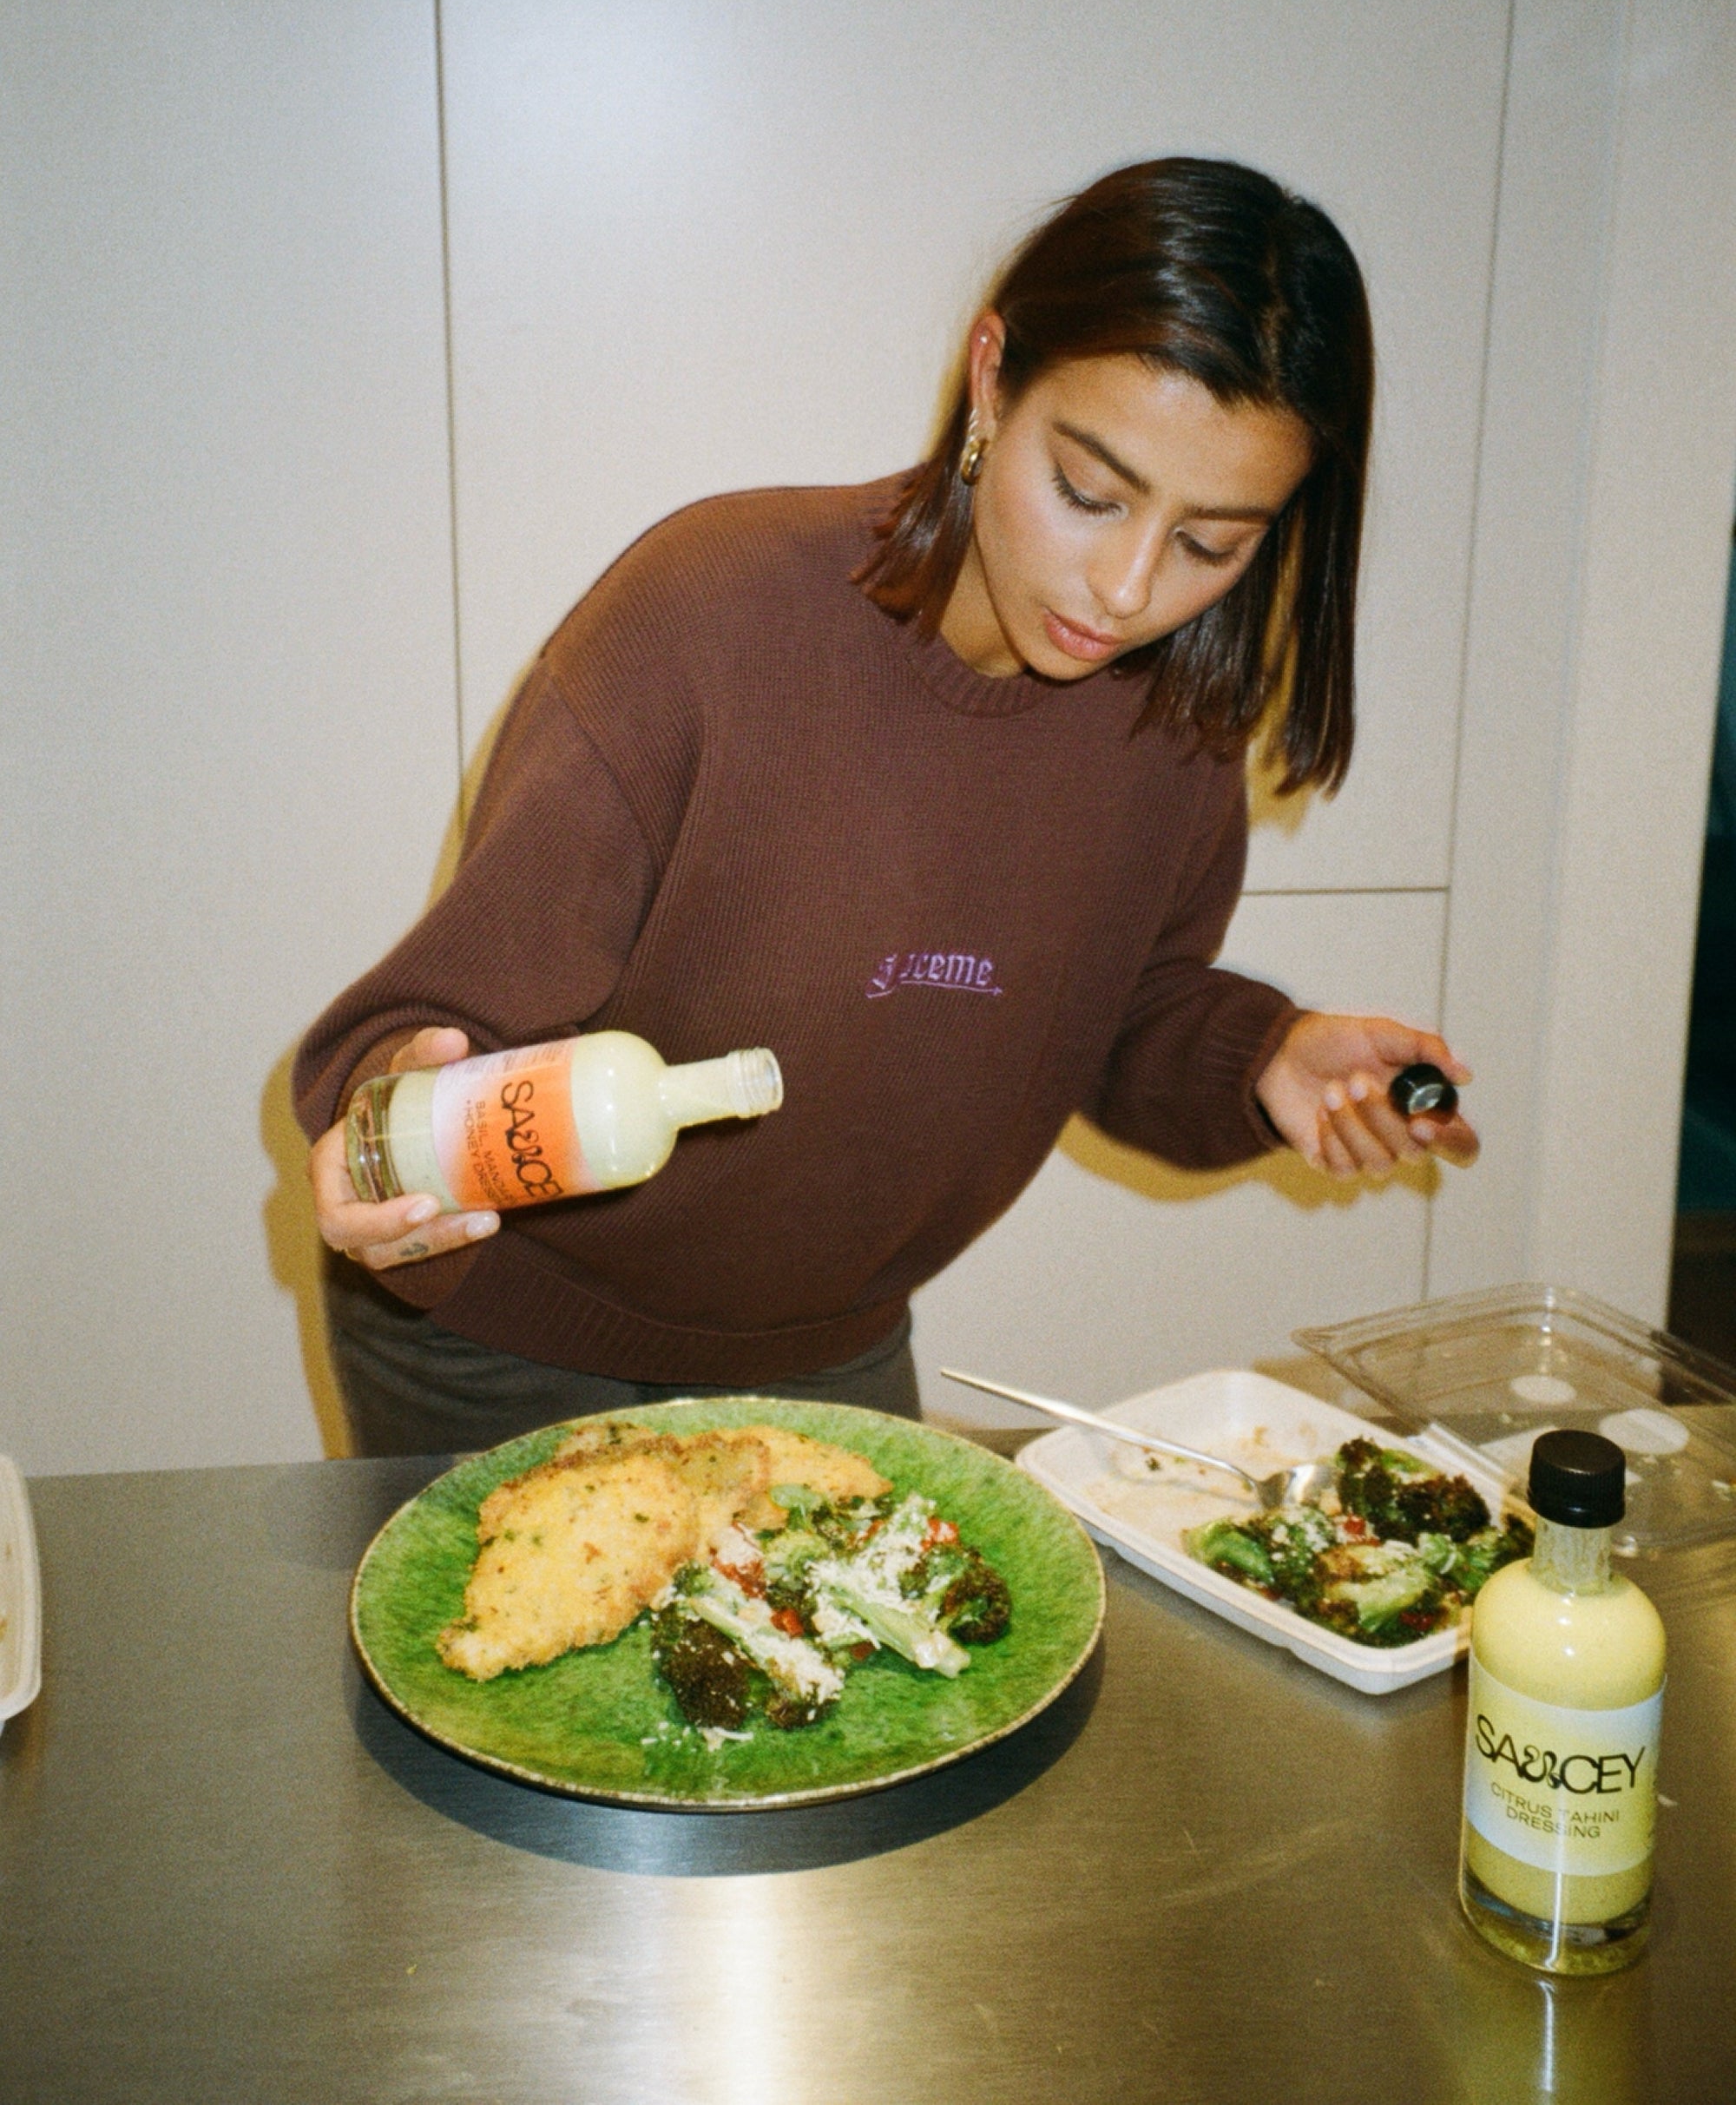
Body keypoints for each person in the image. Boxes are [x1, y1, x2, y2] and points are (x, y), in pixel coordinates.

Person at [295, 157, 1477, 1456]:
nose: (1129, 586)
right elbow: (431, 1027)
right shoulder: (711, 614)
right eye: (1090, 491)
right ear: (991, 377)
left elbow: (1112, 1011)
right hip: (504, 1343)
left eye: (1213, 543)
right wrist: (384, 1112)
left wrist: (1261, 1056)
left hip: (829, 1345)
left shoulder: (1172, 735)